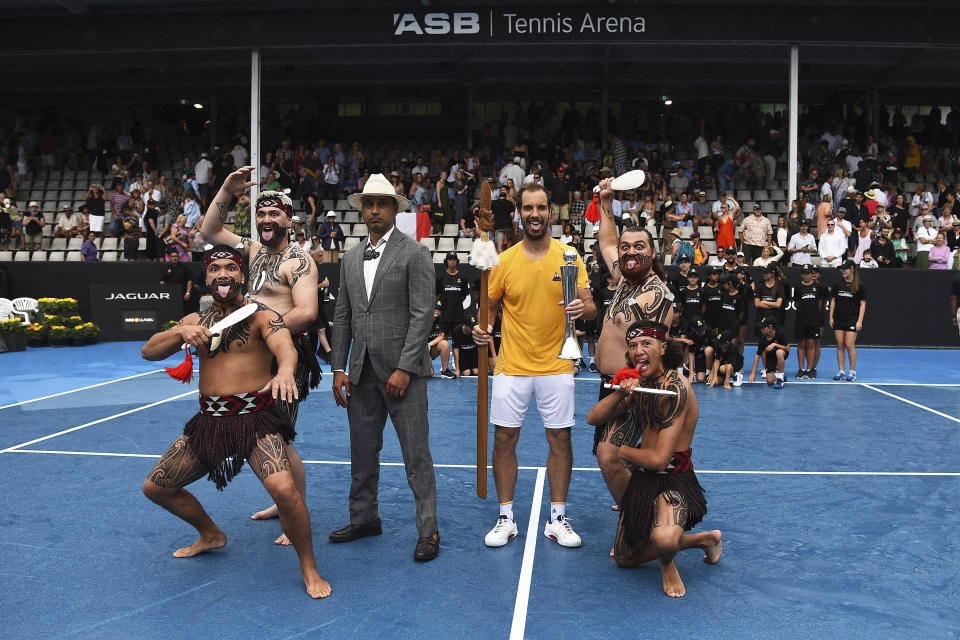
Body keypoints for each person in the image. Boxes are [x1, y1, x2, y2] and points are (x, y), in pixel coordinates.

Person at [139, 246, 330, 599]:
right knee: (156, 488)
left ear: (242, 276)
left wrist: (286, 371)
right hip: (209, 423)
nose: (222, 274)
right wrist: (180, 334)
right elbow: (148, 350)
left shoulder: (261, 315)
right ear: (206, 277)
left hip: (255, 421)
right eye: (214, 269)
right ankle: (211, 534)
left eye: (230, 268)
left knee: (286, 491)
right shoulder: (196, 321)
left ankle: (308, 566)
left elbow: (285, 347)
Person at [472, 182, 596, 549]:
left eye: (541, 207)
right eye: (528, 208)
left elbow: (590, 306)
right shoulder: (504, 261)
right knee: (505, 439)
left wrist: (581, 309)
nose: (535, 214)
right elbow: (488, 314)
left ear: (550, 213)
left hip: (558, 366)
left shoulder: (569, 256)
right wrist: (482, 332)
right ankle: (506, 517)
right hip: (512, 366)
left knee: (560, 438)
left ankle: (557, 518)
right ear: (519, 213)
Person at [201, 167, 320, 546]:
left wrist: (262, 328)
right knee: (261, 436)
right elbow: (210, 231)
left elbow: (307, 311)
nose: (267, 220)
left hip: (285, 355)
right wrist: (226, 189)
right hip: (255, 354)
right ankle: (281, 501)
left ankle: (294, 509)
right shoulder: (253, 250)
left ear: (289, 219)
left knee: (279, 438)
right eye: (261, 215)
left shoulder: (298, 260)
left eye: (275, 214)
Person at [329, 173, 440, 562]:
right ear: (362, 209)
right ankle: (364, 519)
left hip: (403, 376)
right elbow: (341, 316)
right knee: (361, 453)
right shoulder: (350, 258)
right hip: (359, 373)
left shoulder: (415, 254)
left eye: (382, 203)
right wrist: (338, 368)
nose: (374, 210)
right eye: (369, 203)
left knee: (416, 456)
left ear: (395, 208)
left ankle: (428, 531)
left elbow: (422, 315)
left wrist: (406, 367)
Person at [585, 321, 720, 598]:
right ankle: (704, 540)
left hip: (674, 478)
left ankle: (667, 563)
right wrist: (621, 393)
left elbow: (659, 459)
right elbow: (593, 418)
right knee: (623, 559)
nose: (638, 350)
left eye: (646, 343)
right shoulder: (641, 384)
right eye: (633, 346)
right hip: (644, 478)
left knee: (664, 542)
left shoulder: (677, 388)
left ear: (663, 348)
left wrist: (621, 452)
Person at [591, 176, 675, 510]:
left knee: (608, 454)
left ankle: (639, 520)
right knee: (616, 457)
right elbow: (607, 241)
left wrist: (633, 388)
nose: (629, 252)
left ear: (652, 253)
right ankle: (634, 494)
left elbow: (651, 354)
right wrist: (606, 202)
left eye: (639, 247)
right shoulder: (624, 278)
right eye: (627, 247)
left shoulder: (657, 294)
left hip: (634, 390)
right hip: (610, 384)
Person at [830, 260, 867, 382]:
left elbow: (862, 304)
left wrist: (859, 320)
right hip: (839, 319)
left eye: (845, 269)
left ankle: (852, 371)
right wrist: (831, 317)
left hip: (852, 319)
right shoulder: (837, 284)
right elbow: (833, 301)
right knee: (840, 345)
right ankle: (841, 371)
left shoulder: (859, 286)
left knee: (849, 345)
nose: (842, 271)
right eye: (842, 269)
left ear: (851, 270)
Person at [793, 264, 826, 379]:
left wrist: (814, 314)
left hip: (814, 320)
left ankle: (810, 369)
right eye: (803, 273)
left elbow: (821, 304)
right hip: (801, 320)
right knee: (801, 344)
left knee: (812, 344)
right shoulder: (798, 287)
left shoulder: (819, 287)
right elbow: (796, 303)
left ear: (812, 274)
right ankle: (801, 369)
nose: (805, 275)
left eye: (807, 273)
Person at [748, 317, 789, 388]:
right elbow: (758, 355)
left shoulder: (780, 333)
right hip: (771, 356)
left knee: (779, 352)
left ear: (770, 328)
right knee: (769, 381)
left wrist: (775, 345)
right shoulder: (762, 340)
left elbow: (787, 348)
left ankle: (780, 380)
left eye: (763, 327)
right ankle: (779, 374)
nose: (761, 329)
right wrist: (753, 372)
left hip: (782, 353)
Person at [428, 301, 454, 378]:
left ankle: (445, 371)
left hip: (432, 349)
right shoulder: (424, 320)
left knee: (445, 344)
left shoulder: (441, 321)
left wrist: (429, 344)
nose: (437, 311)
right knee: (430, 374)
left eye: (439, 310)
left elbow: (442, 336)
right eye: (435, 309)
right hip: (422, 351)